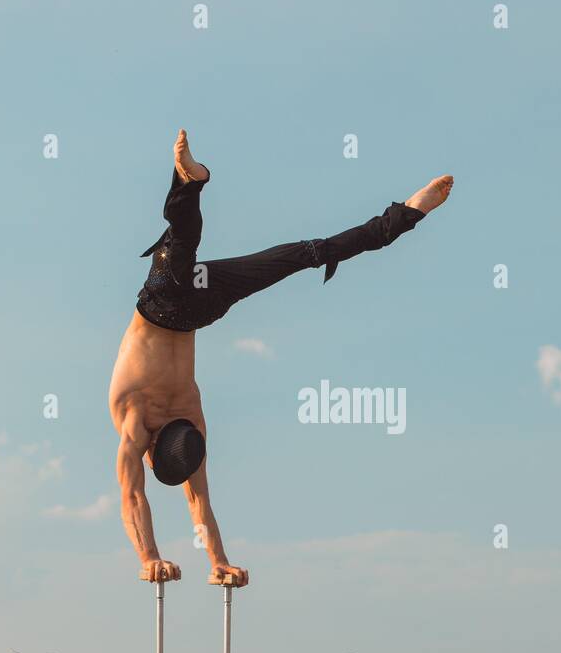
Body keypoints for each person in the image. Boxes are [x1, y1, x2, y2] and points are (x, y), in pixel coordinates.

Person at [107, 129, 452, 586]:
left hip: (172, 303)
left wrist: (150, 557)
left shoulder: (139, 420)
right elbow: (193, 503)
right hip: (196, 299)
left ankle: (192, 181)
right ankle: (403, 215)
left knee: (230, 245)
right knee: (294, 254)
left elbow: (138, 499)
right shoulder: (183, 420)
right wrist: (214, 562)